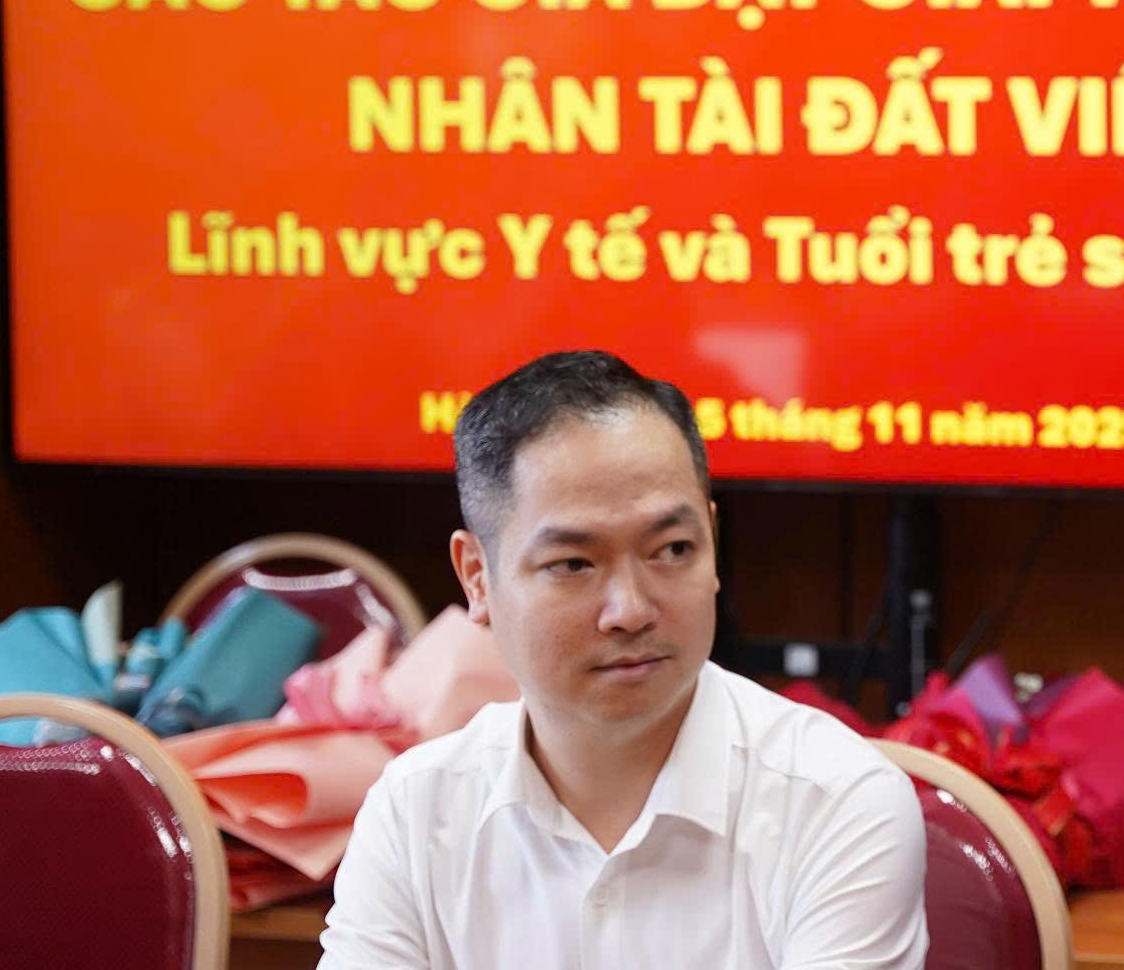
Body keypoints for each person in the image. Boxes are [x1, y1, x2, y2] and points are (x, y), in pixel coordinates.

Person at [320, 350, 927, 970]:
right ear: (478, 577)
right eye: (573, 564)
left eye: (673, 549)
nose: (630, 611)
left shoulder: (834, 802)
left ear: (712, 543)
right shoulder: (416, 812)